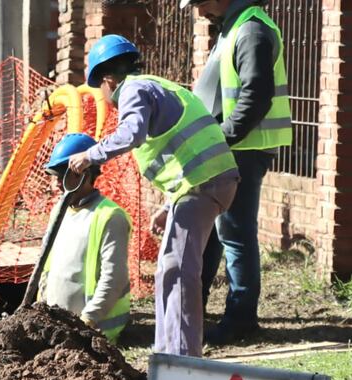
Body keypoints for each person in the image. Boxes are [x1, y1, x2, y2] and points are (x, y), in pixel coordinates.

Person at [68, 35, 240, 358]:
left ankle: (180, 357)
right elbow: (183, 153)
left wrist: (90, 156)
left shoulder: (133, 90)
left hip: (203, 184)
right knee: (169, 266)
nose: (104, 99)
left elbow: (131, 133)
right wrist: (168, 205)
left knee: (177, 267)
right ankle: (167, 350)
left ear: (107, 80)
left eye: (101, 91)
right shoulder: (156, 86)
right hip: (205, 183)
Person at [185, 0, 293, 345]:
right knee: (218, 233)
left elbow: (255, 96)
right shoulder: (234, 26)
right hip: (232, 149)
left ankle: (241, 319)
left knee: (234, 233)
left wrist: (222, 138)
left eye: (200, 3)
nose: (199, 12)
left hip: (242, 151)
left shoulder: (251, 29)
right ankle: (196, 310)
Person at [39, 133, 132, 343]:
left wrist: (86, 322)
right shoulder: (60, 211)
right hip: (58, 329)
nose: (54, 185)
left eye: (59, 176)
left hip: (95, 334)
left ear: (82, 173)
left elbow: (113, 278)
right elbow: (47, 266)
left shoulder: (110, 216)